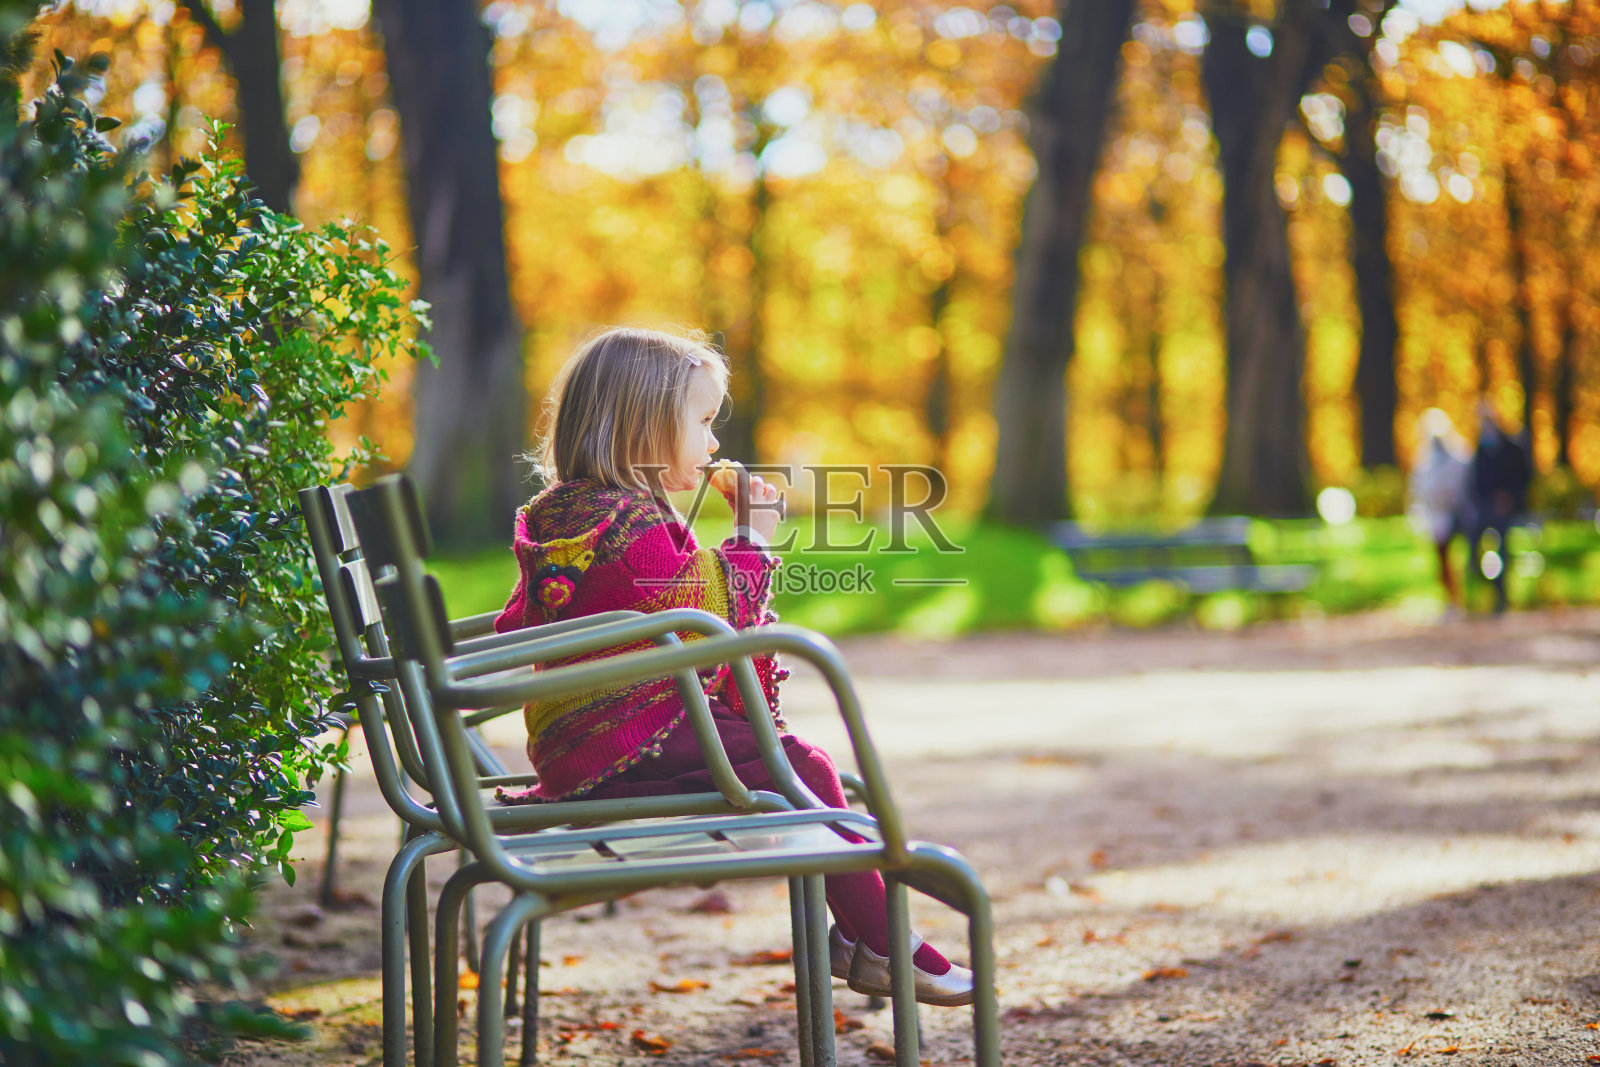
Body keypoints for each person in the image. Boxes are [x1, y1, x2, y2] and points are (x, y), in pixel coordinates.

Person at [492, 325, 974, 1006]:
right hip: (625, 746)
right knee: (803, 768)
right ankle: (884, 943)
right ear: (644, 426)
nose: (714, 442)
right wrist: (752, 533)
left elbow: (552, 619)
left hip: (587, 743)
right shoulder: (622, 527)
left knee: (801, 768)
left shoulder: (568, 513)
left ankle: (871, 939)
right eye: (703, 420)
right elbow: (713, 620)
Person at [1465, 403, 1532, 614]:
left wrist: (1509, 497)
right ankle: (1486, 583)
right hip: (1485, 507)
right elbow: (1475, 482)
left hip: (1508, 508)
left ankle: (1501, 595)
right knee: (1474, 544)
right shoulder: (1480, 450)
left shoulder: (1513, 449)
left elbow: (1524, 478)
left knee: (1502, 546)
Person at [1406, 408, 1471, 611]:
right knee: (1442, 561)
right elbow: (1417, 489)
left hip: (1459, 513)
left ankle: (1468, 596)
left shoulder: (1459, 456)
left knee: (1467, 558)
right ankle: (1451, 599)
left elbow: (1465, 484)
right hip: (1437, 517)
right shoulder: (1424, 461)